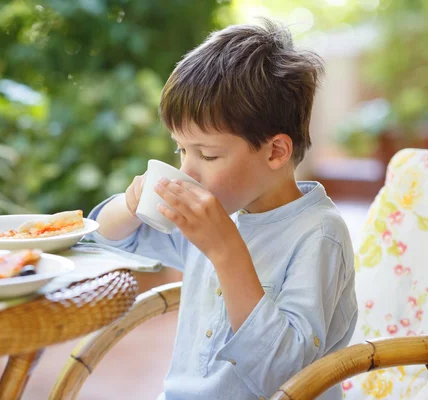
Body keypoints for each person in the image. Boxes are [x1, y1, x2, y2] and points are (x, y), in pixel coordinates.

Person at [88, 18, 357, 400]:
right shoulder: (220, 210)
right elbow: (103, 240)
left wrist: (226, 251)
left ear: (275, 151)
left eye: (208, 154)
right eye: (181, 149)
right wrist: (131, 206)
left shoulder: (319, 236)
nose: (187, 170)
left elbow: (286, 377)